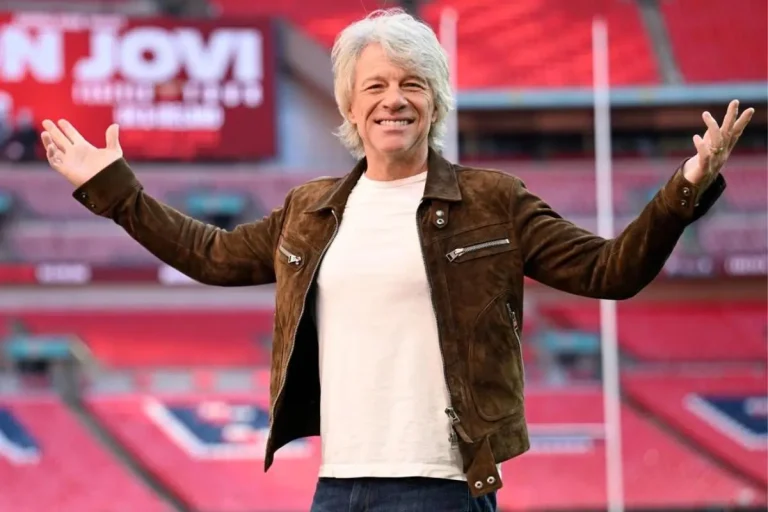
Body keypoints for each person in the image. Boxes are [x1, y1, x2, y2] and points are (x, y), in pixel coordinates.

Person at [39, 9, 753, 512]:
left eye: (411, 83)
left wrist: (683, 191)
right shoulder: (310, 209)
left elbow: (611, 273)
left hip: (442, 488)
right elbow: (211, 256)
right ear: (349, 107)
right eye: (375, 85)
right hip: (338, 487)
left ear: (435, 101)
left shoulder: (492, 200)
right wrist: (116, 191)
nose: (393, 99)